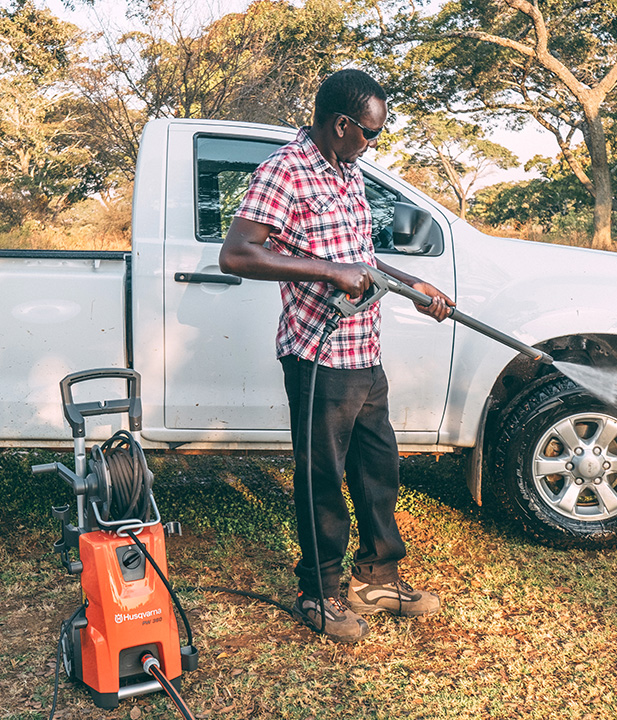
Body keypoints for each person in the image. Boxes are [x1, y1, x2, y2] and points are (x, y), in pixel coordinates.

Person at [218, 69, 455, 643]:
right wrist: (329, 271)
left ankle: (376, 576)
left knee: (378, 469)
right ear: (342, 124)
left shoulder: (348, 173)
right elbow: (236, 254)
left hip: (363, 350)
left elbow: (360, 259)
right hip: (318, 354)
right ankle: (318, 592)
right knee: (321, 477)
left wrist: (412, 284)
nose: (374, 143)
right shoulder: (284, 171)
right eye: (370, 133)